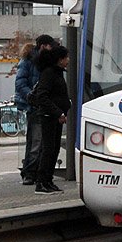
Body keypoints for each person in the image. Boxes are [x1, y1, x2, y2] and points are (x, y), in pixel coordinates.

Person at [14, 34, 57, 185]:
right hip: (35, 106)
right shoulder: (29, 61)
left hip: (43, 105)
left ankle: (35, 172)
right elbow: (20, 84)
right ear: (43, 46)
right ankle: (30, 172)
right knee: (36, 141)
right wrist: (32, 97)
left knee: (40, 142)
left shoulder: (44, 61)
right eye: (50, 45)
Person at [33, 45, 71, 195]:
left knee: (54, 148)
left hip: (56, 116)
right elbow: (42, 96)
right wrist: (57, 112)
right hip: (49, 116)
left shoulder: (57, 73)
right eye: (66, 57)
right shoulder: (49, 73)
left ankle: (48, 180)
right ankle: (41, 182)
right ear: (59, 59)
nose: (68, 60)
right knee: (48, 149)